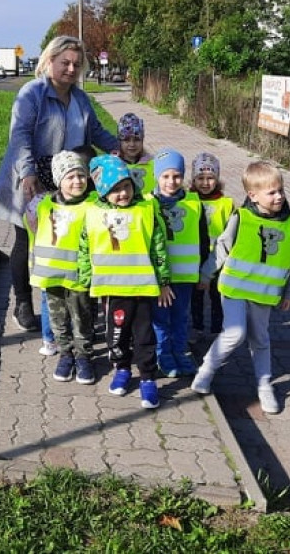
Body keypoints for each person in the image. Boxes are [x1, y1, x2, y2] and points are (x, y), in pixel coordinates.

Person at [0, 36, 118, 332]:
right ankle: (23, 303)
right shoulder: (32, 93)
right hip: (32, 178)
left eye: (76, 64)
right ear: (49, 61)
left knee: (66, 241)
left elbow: (96, 131)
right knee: (26, 240)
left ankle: (67, 306)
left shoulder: (80, 98)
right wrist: (28, 171)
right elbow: (20, 135)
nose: (71, 69)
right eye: (65, 63)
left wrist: (122, 149)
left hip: (69, 182)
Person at [190, 161, 290, 415]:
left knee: (260, 339)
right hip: (235, 289)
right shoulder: (241, 218)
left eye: (280, 190)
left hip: (264, 293)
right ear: (253, 195)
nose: (279, 196)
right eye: (272, 192)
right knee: (235, 333)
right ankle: (206, 371)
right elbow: (222, 247)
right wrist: (206, 274)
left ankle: (264, 386)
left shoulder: (288, 223)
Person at [79, 154, 173, 409]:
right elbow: (85, 248)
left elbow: (158, 248)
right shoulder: (93, 213)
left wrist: (163, 281)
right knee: (116, 335)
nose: (123, 193)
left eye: (126, 186)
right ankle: (122, 368)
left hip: (142, 290)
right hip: (112, 290)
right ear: (103, 192)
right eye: (115, 189)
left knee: (144, 337)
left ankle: (147, 378)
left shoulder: (145, 210)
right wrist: (86, 279)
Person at [26, 151, 96, 384]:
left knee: (82, 317)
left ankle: (84, 355)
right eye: (70, 177)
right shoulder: (44, 205)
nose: (77, 181)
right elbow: (34, 233)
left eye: (81, 175)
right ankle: (65, 354)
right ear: (58, 180)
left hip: (80, 276)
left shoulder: (93, 205)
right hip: (52, 275)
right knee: (58, 318)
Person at [148, 149, 211, 378]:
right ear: (156, 176)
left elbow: (203, 240)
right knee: (160, 318)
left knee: (181, 316)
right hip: (159, 277)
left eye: (177, 176)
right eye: (165, 176)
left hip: (185, 275)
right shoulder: (147, 204)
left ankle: (180, 350)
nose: (171, 181)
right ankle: (163, 353)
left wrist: (203, 271)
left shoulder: (194, 204)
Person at [189, 152, 233, 337]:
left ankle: (217, 330)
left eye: (210, 178)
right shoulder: (188, 201)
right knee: (196, 295)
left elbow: (231, 232)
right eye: (200, 178)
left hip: (218, 258)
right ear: (193, 179)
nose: (205, 183)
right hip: (194, 256)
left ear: (217, 179)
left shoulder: (226, 203)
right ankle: (196, 327)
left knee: (217, 295)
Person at [115, 113, 156, 196]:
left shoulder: (153, 163)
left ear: (142, 140)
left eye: (137, 139)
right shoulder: (114, 164)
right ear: (120, 141)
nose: (132, 144)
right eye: (126, 140)